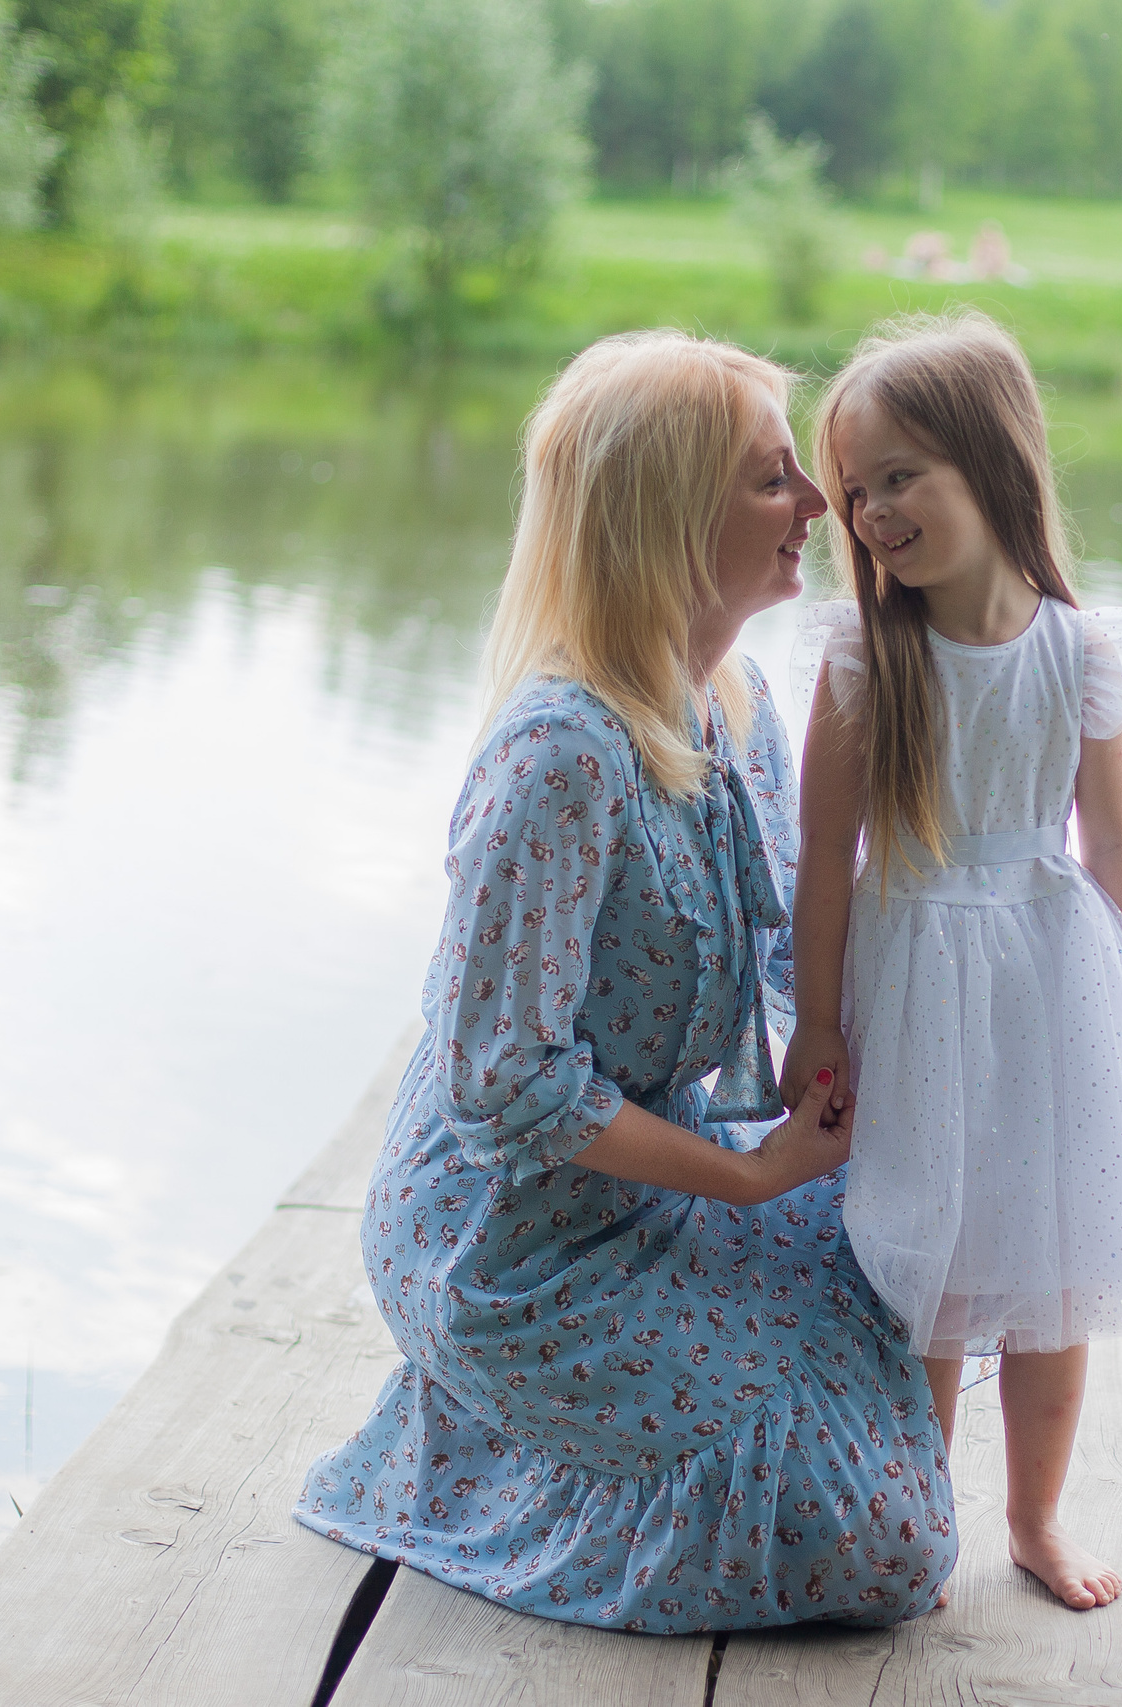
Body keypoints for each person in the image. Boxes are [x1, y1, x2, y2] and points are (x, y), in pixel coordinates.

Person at [295, 331, 956, 1631]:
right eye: (775, 481)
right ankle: (475, 1432)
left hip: (660, 1184)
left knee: (907, 1276)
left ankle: (577, 1433)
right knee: (878, 1541)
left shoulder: (738, 702)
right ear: (668, 513)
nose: (822, 509)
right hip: (510, 1244)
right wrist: (756, 1176)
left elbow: (784, 946)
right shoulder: (561, 755)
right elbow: (504, 1084)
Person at [783, 312, 1122, 1612]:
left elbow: (1118, 840)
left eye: (900, 476)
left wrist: (1111, 1001)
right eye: (854, 491)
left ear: (992, 463)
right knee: (934, 1268)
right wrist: (816, 1028)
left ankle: (1032, 1519)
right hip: (911, 984)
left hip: (1046, 984)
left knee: (1049, 1268)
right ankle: (924, 1516)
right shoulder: (868, 656)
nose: (869, 512)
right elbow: (822, 859)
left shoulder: (1079, 650)